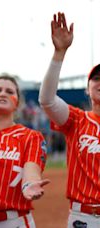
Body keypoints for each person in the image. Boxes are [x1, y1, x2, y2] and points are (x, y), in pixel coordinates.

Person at [39, 12, 100, 227]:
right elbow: (46, 100)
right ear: (87, 89)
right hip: (84, 218)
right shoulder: (77, 119)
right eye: (96, 79)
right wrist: (59, 54)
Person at [0, 74, 49, 227]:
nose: (3, 93)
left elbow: (32, 170)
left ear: (17, 104)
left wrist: (29, 184)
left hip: (15, 221)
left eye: (10, 92)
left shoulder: (30, 137)